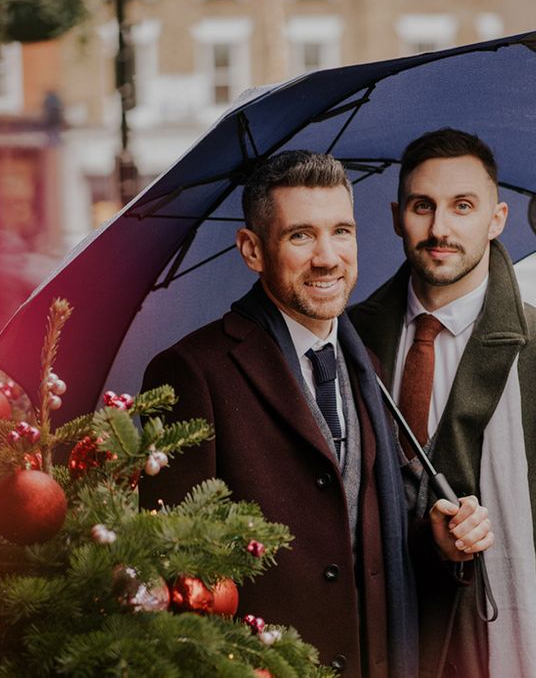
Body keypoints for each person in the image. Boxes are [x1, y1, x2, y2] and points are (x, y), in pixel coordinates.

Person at [140, 150, 491, 678]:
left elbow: (360, 540)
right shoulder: (190, 372)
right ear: (252, 249)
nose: (328, 257)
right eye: (300, 236)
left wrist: (438, 542)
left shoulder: (364, 364)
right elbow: (172, 571)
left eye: (341, 232)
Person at [349, 128, 536, 678]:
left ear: (496, 220)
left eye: (462, 206)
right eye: (423, 206)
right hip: (371, 639)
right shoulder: (349, 339)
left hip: (490, 647)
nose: (440, 229)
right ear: (399, 215)